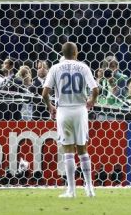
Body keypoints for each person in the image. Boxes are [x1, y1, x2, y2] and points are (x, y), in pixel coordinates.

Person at [42, 42, 99, 198]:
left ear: (62, 53)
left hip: (64, 111)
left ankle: (71, 191)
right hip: (80, 110)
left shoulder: (55, 68)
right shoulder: (84, 67)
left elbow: (45, 93)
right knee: (83, 149)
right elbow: (95, 89)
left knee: (68, 150)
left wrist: (50, 106)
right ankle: (89, 188)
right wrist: (91, 101)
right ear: (76, 52)